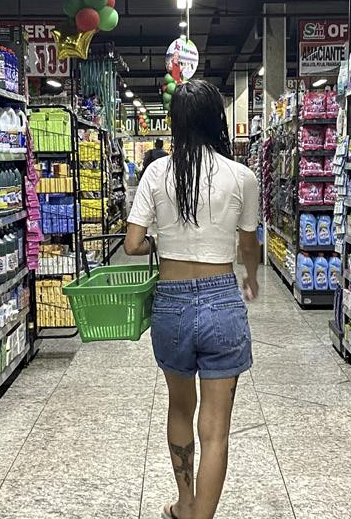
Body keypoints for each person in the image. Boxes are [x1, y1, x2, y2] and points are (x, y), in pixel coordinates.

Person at [125, 80, 260, 519]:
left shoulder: (156, 173)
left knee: (180, 408)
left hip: (171, 304)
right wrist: (252, 278)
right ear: (217, 119)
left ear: (176, 124)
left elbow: (132, 244)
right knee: (216, 430)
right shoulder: (241, 176)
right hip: (222, 301)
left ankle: (184, 505)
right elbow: (248, 245)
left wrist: (158, 245)